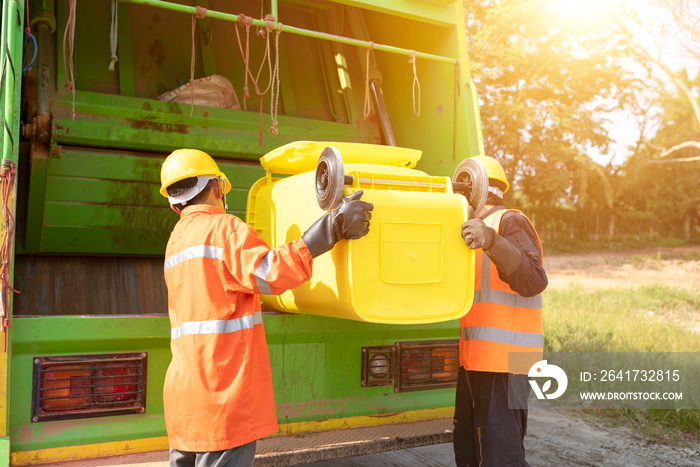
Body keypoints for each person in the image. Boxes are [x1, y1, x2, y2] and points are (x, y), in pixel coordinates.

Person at [159, 148, 373, 467]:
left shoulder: (176, 240)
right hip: (224, 399)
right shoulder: (224, 230)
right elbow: (270, 274)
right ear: (217, 187)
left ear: (176, 202)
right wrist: (331, 228)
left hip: (185, 400)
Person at [453, 156, 548, 467]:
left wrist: (492, 240)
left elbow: (533, 279)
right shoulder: (468, 229)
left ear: (477, 187)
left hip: (507, 364)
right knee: (471, 450)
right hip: (477, 360)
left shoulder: (508, 222)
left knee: (499, 455)